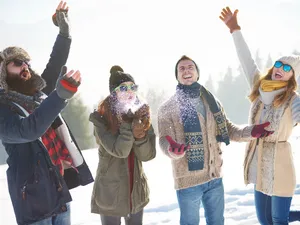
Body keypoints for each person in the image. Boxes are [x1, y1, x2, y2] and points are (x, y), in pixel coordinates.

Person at [0, 1, 93, 225]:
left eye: (27, 62)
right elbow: (29, 130)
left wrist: (64, 31)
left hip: (58, 184)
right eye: (17, 63)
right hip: (31, 196)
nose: (25, 67)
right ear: (3, 71)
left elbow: (56, 60)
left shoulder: (39, 95)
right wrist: (59, 95)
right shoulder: (3, 108)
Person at [158, 55, 273, 225]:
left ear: (197, 73)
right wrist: (171, 150)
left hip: (215, 177)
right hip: (188, 181)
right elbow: (163, 140)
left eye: (190, 67)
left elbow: (229, 130)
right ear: (177, 76)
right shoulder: (167, 108)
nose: (186, 70)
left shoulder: (213, 102)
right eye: (181, 68)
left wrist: (251, 131)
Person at [219, 6, 300, 225]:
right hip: (258, 162)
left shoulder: (294, 100)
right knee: (265, 221)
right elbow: (247, 61)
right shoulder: (259, 87)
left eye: (287, 67)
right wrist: (235, 30)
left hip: (281, 164)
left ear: (292, 76)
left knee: (278, 220)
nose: (280, 69)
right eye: (278, 64)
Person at [89, 65, 156, 225]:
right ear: (114, 93)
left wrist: (140, 135)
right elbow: (120, 151)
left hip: (135, 190)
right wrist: (128, 124)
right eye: (123, 88)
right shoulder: (101, 119)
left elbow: (148, 155)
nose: (130, 91)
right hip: (110, 193)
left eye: (133, 87)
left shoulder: (141, 114)